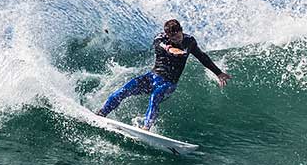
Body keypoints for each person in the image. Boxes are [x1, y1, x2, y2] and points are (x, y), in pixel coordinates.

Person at [96, 19, 232, 130]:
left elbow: (202, 57)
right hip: (151, 78)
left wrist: (218, 73)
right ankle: (102, 113)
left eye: (179, 36)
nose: (177, 39)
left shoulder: (189, 41)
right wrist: (172, 50)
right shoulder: (160, 39)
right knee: (123, 90)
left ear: (181, 31)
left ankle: (146, 128)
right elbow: (165, 46)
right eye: (173, 37)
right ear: (168, 35)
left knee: (155, 97)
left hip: (169, 83)